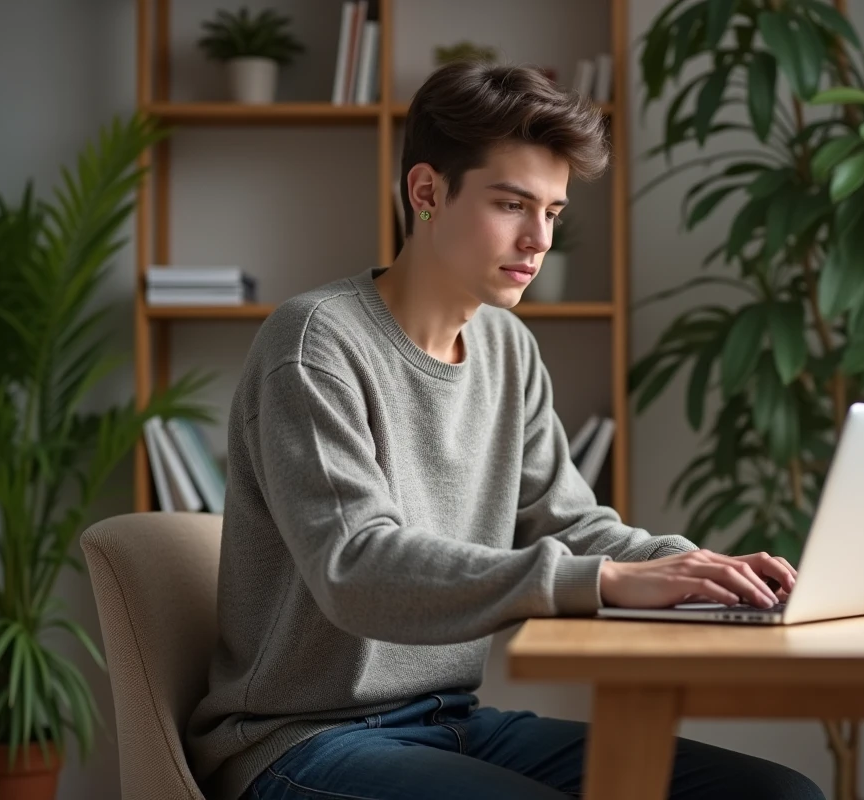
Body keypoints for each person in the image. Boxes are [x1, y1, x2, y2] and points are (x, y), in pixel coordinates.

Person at [185, 60, 824, 800]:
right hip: (302, 741)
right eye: (513, 204)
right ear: (427, 192)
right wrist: (607, 581)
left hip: (452, 719)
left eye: (552, 212)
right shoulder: (315, 343)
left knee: (777, 796)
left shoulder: (507, 347)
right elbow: (355, 568)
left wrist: (701, 572)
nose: (539, 239)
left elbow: (572, 524)